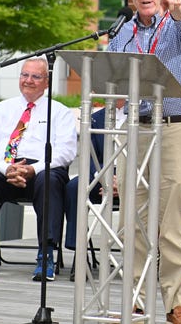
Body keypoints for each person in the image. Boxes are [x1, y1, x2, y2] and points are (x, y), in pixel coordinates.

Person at [107, 0, 181, 324]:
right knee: (135, 219)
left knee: (173, 222)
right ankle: (136, 301)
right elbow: (112, 76)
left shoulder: (177, 25)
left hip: (175, 127)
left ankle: (176, 304)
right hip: (137, 129)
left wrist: (180, 7)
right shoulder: (123, 34)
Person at [0, 57, 77, 281]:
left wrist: (33, 169)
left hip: (43, 170)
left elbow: (66, 152)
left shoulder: (60, 112)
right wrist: (7, 168)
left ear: (47, 82)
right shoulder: (1, 109)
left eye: (36, 76)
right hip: (6, 168)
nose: (28, 80)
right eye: (24, 75)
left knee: (49, 181)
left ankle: (45, 256)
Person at [64, 100, 125, 281]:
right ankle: (80, 255)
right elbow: (89, 156)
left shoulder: (146, 118)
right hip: (102, 173)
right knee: (75, 187)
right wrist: (103, 178)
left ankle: (139, 260)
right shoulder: (95, 119)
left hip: (134, 178)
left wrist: (123, 182)